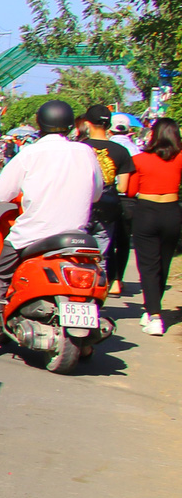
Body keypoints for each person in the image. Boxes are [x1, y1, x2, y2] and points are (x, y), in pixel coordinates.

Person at [0, 98, 103, 354]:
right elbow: (96, 193)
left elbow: (4, 191)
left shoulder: (30, 153)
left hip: (33, 234)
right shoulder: (85, 151)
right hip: (77, 237)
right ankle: (85, 341)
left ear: (40, 124)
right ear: (71, 125)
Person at [127, 116, 181, 334]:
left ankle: (155, 314)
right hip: (172, 212)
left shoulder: (140, 159)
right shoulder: (179, 158)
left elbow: (130, 191)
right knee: (164, 263)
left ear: (154, 135)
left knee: (148, 265)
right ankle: (152, 307)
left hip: (146, 211)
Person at [75, 104, 137, 294]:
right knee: (100, 255)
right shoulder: (121, 152)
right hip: (108, 208)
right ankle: (96, 291)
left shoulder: (78, 148)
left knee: (75, 250)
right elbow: (123, 187)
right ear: (108, 125)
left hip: (80, 206)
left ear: (87, 123)